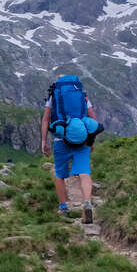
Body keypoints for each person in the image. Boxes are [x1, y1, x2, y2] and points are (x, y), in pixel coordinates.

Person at [41, 80, 97, 224]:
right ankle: (87, 203)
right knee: (84, 172)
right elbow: (93, 118)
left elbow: (46, 119)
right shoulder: (82, 94)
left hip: (61, 139)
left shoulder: (54, 94)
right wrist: (91, 140)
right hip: (82, 139)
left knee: (60, 174)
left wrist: (44, 141)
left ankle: (63, 207)